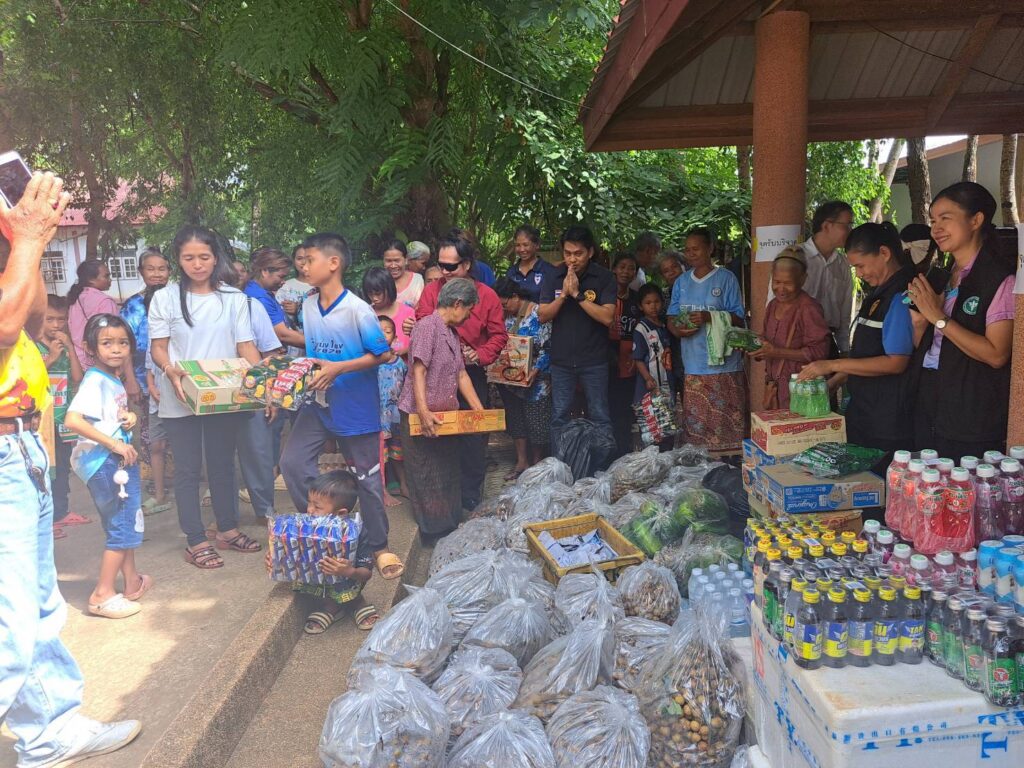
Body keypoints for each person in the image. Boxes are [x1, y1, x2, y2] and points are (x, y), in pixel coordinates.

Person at [0, 171, 141, 767]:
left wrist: (23, 247)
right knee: (8, 622)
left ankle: (49, 733)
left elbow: (30, 323)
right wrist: (31, 240)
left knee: (34, 606)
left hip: (19, 447)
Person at [278, 233, 404, 580]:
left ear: (333, 263)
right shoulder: (307, 305)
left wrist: (338, 368)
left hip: (356, 408)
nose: (303, 266)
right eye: (302, 260)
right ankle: (327, 525)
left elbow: (383, 354)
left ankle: (378, 546)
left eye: (310, 260)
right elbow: (315, 349)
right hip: (318, 403)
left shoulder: (357, 309)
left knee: (368, 480)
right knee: (291, 462)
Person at [149, 226, 263, 569]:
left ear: (216, 258)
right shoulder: (166, 297)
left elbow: (245, 346)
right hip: (180, 394)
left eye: (204, 257)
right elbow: (158, 348)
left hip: (223, 396)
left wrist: (266, 382)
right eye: (189, 258)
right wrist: (170, 370)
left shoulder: (234, 298)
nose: (197, 264)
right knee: (187, 469)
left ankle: (226, 529)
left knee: (222, 464)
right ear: (178, 260)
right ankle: (195, 539)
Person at [907, 182, 1014, 460]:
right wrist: (920, 323)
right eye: (933, 221)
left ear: (976, 220)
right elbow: (929, 345)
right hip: (930, 398)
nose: (936, 229)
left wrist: (939, 318)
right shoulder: (941, 275)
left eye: (945, 218)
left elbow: (997, 355)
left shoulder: (999, 279)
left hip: (971, 411)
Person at [798, 223, 915, 452]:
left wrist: (831, 365)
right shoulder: (879, 292)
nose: (859, 274)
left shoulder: (902, 294)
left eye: (861, 266)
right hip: (865, 410)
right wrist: (835, 381)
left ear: (884, 253)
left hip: (888, 419)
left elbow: (896, 362)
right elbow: (866, 353)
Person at [63, 314, 151, 620]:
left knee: (120, 523)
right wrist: (115, 444)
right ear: (90, 348)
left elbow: (107, 416)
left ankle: (132, 581)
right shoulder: (95, 380)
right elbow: (73, 420)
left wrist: (129, 418)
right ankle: (102, 594)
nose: (116, 349)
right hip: (107, 463)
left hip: (110, 462)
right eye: (107, 343)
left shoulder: (109, 378)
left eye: (123, 343)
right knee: (123, 526)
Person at [414, 234, 507, 511]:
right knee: (438, 432)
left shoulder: (487, 295)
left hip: (470, 372)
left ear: (466, 264)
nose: (444, 271)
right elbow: (424, 325)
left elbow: (499, 335)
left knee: (473, 434)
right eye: (440, 265)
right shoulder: (432, 292)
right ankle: (445, 494)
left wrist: (480, 354)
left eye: (450, 266)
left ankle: (470, 494)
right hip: (435, 374)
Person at [399, 279, 486, 537]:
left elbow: (462, 375)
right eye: (469, 310)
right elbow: (419, 370)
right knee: (427, 475)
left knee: (447, 471)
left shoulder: (452, 333)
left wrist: (480, 411)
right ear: (457, 304)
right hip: (421, 415)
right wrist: (423, 412)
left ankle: (449, 528)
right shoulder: (427, 327)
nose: (469, 316)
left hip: (446, 417)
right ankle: (434, 533)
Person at [265, 470, 378, 634]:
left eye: (317, 506)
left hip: (349, 580)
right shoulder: (304, 529)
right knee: (313, 575)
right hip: (317, 580)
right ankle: (330, 606)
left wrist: (349, 571)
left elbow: (366, 573)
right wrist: (276, 558)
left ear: (341, 513)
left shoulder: (357, 532)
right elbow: (290, 553)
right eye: (309, 503)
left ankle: (357, 603)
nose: (309, 510)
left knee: (346, 583)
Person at [667, 227, 748, 452]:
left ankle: (729, 462)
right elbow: (671, 318)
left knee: (726, 423)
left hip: (724, 364)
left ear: (710, 248)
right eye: (687, 250)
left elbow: (739, 318)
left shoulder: (726, 278)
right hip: (694, 362)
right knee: (698, 428)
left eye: (696, 249)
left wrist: (709, 317)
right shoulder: (682, 282)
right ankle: (701, 467)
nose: (691, 254)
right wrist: (678, 330)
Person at [539, 225, 617, 457]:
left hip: (594, 360)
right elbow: (543, 315)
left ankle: (601, 465)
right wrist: (564, 294)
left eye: (578, 253)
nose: (572, 259)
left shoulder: (604, 277)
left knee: (599, 415)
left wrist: (577, 295)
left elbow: (607, 317)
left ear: (590, 252)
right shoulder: (554, 275)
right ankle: (560, 464)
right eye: (567, 253)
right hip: (561, 361)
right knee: (559, 416)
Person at [120, 248, 172, 514]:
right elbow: (125, 345)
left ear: (170, 271)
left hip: (176, 377)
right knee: (151, 438)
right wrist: (131, 380)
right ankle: (158, 488)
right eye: (150, 269)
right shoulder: (133, 305)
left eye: (161, 269)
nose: (156, 274)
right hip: (143, 379)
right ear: (141, 272)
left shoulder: (177, 299)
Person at [751, 248, 830, 410]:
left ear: (802, 279)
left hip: (802, 391)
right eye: (777, 282)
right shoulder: (772, 305)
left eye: (787, 283)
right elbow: (766, 339)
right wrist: (754, 347)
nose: (781, 289)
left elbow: (820, 352)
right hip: (775, 388)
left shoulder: (808, 308)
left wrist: (776, 352)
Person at [34, 295, 86, 530]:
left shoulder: (64, 346)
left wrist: (70, 349)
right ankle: (45, 518)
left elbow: (77, 377)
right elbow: (31, 377)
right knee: (45, 468)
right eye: (50, 319)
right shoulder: (33, 346)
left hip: (62, 416)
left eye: (61, 319)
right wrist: (52, 357)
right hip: (42, 419)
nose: (56, 325)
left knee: (63, 466)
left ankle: (61, 512)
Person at [494, 278, 552, 480]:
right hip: (511, 379)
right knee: (516, 419)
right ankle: (521, 461)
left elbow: (549, 347)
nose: (503, 308)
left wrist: (536, 370)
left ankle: (537, 462)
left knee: (537, 421)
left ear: (515, 297)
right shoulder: (506, 317)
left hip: (537, 379)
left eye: (504, 304)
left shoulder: (539, 313)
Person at [801, 201, 854, 355]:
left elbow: (844, 314)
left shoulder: (842, 264)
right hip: (797, 341)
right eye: (846, 225)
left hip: (827, 342)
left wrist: (844, 350)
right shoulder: (796, 257)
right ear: (826, 226)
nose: (850, 231)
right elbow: (774, 303)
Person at [632, 284, 675, 449]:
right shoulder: (641, 329)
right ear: (641, 306)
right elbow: (638, 359)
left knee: (668, 424)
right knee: (653, 427)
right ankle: (653, 457)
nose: (653, 306)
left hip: (666, 382)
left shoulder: (664, 326)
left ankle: (667, 456)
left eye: (656, 302)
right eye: (648, 303)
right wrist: (647, 378)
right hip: (650, 385)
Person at [609, 253, 641, 456]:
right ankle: (608, 452)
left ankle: (624, 451)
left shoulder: (637, 299)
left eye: (631, 268)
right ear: (614, 269)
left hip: (629, 361)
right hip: (606, 359)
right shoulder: (605, 295)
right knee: (607, 406)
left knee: (625, 407)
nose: (626, 272)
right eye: (622, 267)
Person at [245, 247, 306, 350]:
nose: (283, 281)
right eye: (281, 276)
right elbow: (282, 334)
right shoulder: (260, 298)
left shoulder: (258, 291)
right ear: (265, 271)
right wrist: (319, 345)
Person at [376, 316, 409, 506]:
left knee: (398, 453)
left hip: (395, 417)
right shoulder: (369, 363)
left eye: (387, 331)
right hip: (377, 417)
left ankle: (403, 485)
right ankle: (383, 490)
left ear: (395, 338)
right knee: (381, 455)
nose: (382, 335)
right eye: (378, 331)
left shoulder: (400, 364)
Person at [67, 259, 117, 369]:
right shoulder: (105, 301)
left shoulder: (76, 298)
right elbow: (110, 333)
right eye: (106, 276)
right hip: (99, 361)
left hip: (77, 359)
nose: (110, 279)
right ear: (91, 279)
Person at [363, 266, 415, 355]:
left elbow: (418, 343)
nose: (374, 298)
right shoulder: (366, 314)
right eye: (370, 294)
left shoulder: (407, 312)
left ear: (389, 288)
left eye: (378, 293)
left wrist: (403, 351)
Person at [277, 244, 315, 357]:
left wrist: (298, 309)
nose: (303, 262)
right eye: (299, 258)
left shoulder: (319, 286)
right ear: (293, 261)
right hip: (290, 343)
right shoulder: (285, 285)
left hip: (315, 341)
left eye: (308, 258)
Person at [506, 224, 556, 304]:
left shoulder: (548, 271)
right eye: (518, 245)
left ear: (537, 245)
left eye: (525, 245)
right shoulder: (511, 272)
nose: (522, 249)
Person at [382, 239, 425, 308]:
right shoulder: (378, 281)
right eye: (389, 261)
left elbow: (421, 309)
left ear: (406, 259)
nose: (393, 266)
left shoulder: (417, 280)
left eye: (397, 260)